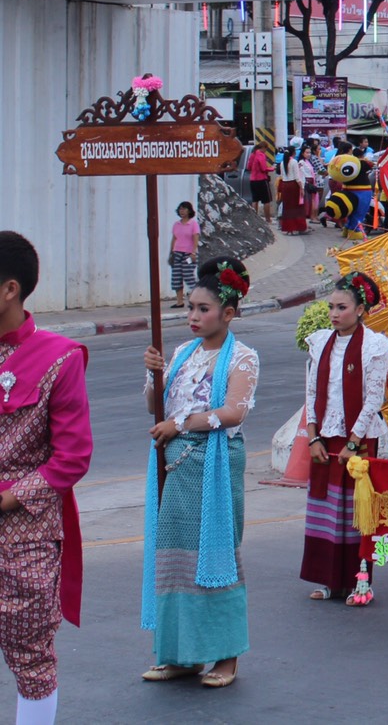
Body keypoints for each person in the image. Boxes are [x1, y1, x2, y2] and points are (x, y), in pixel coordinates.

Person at [140, 257, 258, 689]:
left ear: (228, 313)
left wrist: (181, 425)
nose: (193, 316)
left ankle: (226, 657)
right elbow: (154, 407)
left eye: (203, 309)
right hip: (175, 465)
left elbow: (233, 412)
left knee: (216, 557)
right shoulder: (181, 354)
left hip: (215, 463)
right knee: (175, 559)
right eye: (190, 307)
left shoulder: (243, 357)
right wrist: (154, 375)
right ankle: (181, 655)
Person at [0, 232, 92, 725]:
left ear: (9, 289)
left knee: (31, 661)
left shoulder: (60, 357)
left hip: (26, 536)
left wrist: (9, 498)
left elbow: (72, 457)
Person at [300, 272, 388, 603]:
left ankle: (360, 583)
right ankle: (328, 581)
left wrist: (354, 443)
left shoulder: (375, 347)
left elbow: (373, 400)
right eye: (331, 307)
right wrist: (313, 437)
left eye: (342, 307)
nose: (334, 314)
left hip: (359, 439)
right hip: (326, 438)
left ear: (360, 309)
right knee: (326, 509)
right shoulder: (320, 343)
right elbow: (312, 392)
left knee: (358, 512)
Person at [169, 202, 201, 308]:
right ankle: (179, 302)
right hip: (177, 252)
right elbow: (174, 238)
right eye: (180, 209)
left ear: (189, 211)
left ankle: (195, 300)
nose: (182, 211)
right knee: (176, 277)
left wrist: (193, 252)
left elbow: (195, 238)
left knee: (188, 276)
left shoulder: (193, 224)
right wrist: (171, 252)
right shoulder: (176, 224)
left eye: (184, 209)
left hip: (188, 254)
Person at [279, 139, 310, 235]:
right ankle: (299, 227)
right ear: (293, 153)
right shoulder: (294, 162)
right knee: (297, 207)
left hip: (285, 185)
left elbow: (282, 176)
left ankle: (289, 228)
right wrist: (302, 188)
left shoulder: (282, 163)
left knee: (287, 207)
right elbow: (297, 177)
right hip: (293, 186)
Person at [245, 144, 274, 223]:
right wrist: (272, 169)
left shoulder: (252, 154)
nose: (265, 151)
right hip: (261, 180)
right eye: (266, 149)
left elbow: (248, 167)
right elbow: (263, 168)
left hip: (252, 180)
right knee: (266, 200)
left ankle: (255, 219)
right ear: (263, 148)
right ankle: (268, 219)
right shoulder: (261, 155)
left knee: (255, 200)